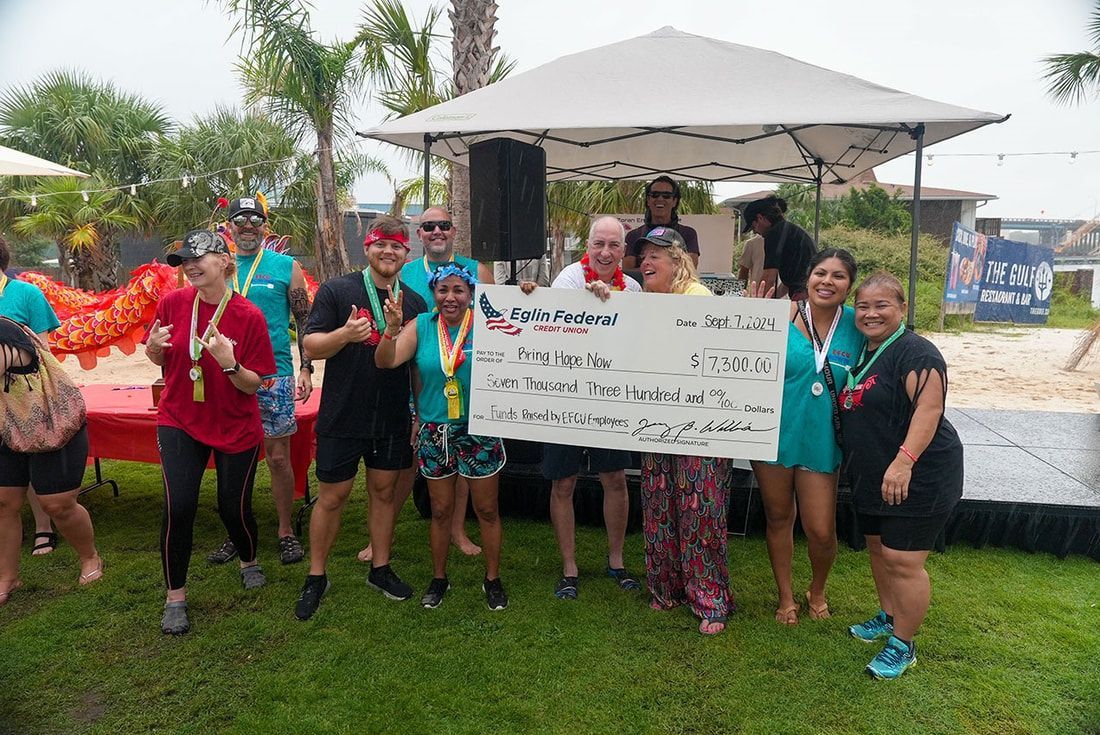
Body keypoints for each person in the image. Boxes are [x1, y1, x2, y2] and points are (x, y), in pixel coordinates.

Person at [293, 217, 428, 620]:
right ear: (367, 248)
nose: (388, 252)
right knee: (332, 497)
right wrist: (345, 335)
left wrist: (419, 413)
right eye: (380, 245)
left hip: (391, 416)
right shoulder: (339, 290)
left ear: (406, 253)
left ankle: (380, 569)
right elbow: (311, 344)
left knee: (384, 493)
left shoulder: (415, 303)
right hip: (343, 413)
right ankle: (317, 575)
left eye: (396, 246)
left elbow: (417, 366)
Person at [145, 229, 276, 635]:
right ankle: (175, 597)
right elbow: (158, 357)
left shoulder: (248, 315)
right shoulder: (172, 303)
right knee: (178, 506)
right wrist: (152, 349)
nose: (190, 266)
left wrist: (230, 363)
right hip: (179, 418)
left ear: (224, 261)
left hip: (235, 424)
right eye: (184, 260)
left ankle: (248, 559)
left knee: (232, 508)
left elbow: (254, 385)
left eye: (198, 257)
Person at [839, 272, 963, 680]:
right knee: (878, 548)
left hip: (919, 471)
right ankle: (889, 615)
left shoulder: (916, 351)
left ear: (903, 308)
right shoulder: (863, 350)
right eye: (863, 306)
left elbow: (929, 409)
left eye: (882, 305)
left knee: (902, 559)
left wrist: (905, 460)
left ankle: (903, 645)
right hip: (875, 472)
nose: (871, 313)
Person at [518, 216, 641, 600]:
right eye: (598, 244)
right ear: (587, 246)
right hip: (566, 396)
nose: (605, 252)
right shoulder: (569, 279)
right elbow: (558, 333)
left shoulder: (633, 287)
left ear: (623, 250)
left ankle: (617, 561)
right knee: (564, 482)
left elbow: (635, 340)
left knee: (615, 478)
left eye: (614, 245)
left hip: (610, 397)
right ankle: (569, 567)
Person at [376, 264, 508, 611]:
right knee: (440, 510)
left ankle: (492, 579)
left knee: (487, 509)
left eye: (458, 290)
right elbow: (386, 361)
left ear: (471, 294)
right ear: (434, 293)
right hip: (436, 431)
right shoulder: (421, 325)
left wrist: (526, 294)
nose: (450, 297)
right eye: (443, 290)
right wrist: (391, 330)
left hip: (479, 428)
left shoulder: (489, 323)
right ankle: (439, 578)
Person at [748, 248, 863, 627]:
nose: (827, 281)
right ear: (808, 277)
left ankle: (817, 589)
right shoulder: (780, 315)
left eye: (838, 276)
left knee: (820, 529)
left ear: (849, 286)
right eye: (821, 273)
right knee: (779, 516)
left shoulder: (857, 326)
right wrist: (750, 320)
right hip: (775, 434)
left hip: (822, 440)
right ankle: (785, 596)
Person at [206, 196, 313, 567]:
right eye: (240, 220)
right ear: (229, 227)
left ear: (265, 226)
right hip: (226, 372)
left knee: (278, 458)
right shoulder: (217, 266)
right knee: (231, 458)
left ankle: (285, 531)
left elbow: (305, 320)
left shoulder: (286, 267)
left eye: (255, 219)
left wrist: (306, 368)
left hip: (274, 375)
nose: (248, 226)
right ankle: (237, 531)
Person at [635, 226, 730, 634]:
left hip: (699, 425)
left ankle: (709, 599)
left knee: (699, 510)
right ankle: (667, 589)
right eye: (643, 256)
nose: (646, 262)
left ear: (677, 261)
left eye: (655, 255)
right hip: (657, 420)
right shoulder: (648, 301)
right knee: (659, 505)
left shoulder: (696, 297)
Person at [390, 206, 493, 560]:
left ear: (453, 231)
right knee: (408, 459)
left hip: (463, 382)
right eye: (429, 226)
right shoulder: (404, 272)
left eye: (444, 225)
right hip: (419, 377)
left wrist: (525, 293)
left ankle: (457, 530)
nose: (437, 231)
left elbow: (499, 316)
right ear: (419, 233)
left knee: (461, 460)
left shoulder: (477, 269)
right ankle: (384, 533)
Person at [0, 316, 103, 606]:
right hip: (7, 427)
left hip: (52, 425)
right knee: (3, 502)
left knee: (58, 504)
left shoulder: (3, 331)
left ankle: (90, 557)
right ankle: (7, 577)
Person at [0, 236, 62, 557]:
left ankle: (43, 528)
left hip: (24, 397)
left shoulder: (26, 294)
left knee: (30, 463)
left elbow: (43, 350)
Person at [741, 195, 818, 299]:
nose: (755, 232)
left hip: (803, 293)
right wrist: (772, 298)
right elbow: (788, 282)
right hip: (810, 290)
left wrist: (758, 304)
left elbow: (769, 277)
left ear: (760, 218)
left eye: (753, 227)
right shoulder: (789, 230)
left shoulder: (774, 233)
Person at [623, 176, 700, 269]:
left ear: (674, 201)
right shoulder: (633, 235)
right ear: (648, 200)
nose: (660, 199)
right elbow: (628, 271)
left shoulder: (688, 234)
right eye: (655, 195)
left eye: (666, 195)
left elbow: (690, 268)